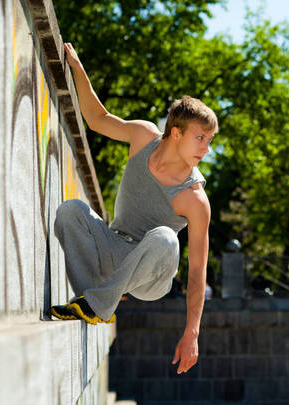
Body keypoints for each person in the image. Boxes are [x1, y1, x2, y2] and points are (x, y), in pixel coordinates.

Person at [50, 42, 217, 375]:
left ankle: (100, 303)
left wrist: (191, 334)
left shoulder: (195, 200)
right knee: (71, 211)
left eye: (210, 140)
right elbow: (98, 119)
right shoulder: (143, 137)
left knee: (166, 238)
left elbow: (197, 274)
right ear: (175, 132)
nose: (207, 149)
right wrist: (77, 67)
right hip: (113, 250)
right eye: (201, 138)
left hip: (151, 276)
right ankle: (93, 303)